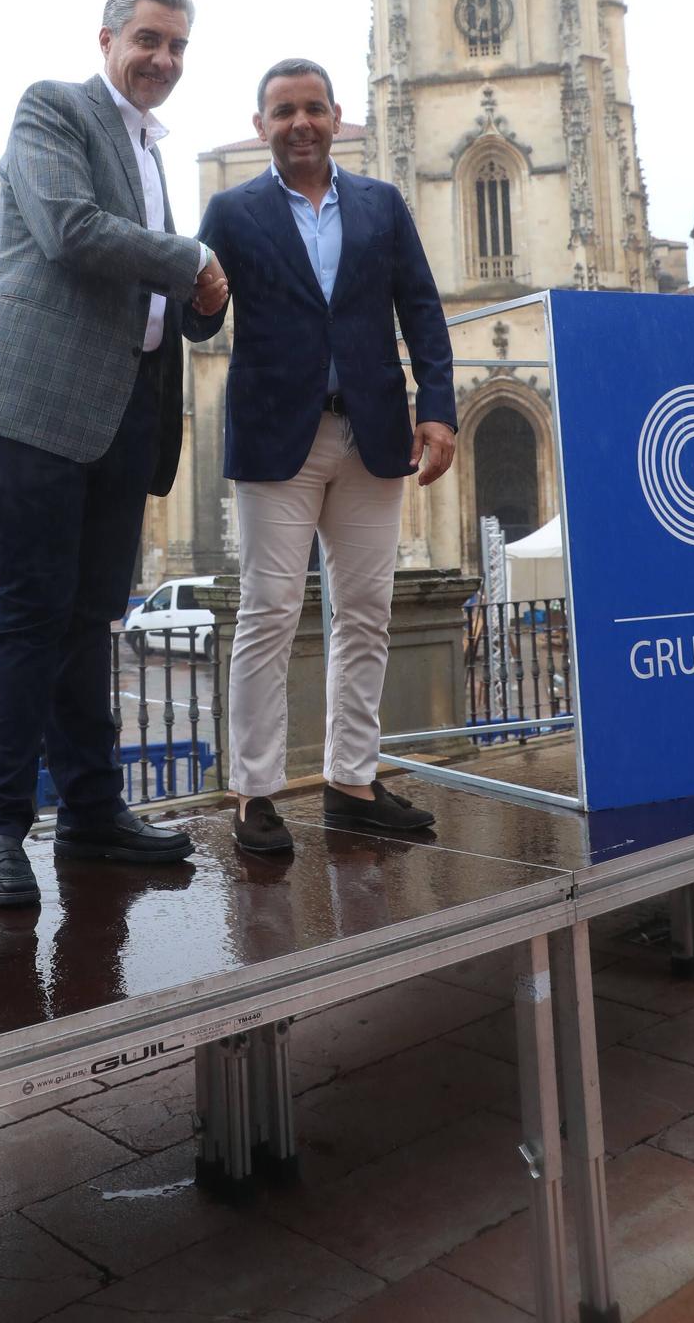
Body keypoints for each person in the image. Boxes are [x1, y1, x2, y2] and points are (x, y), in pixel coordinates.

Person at [0, 0, 229, 906]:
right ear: (107, 38)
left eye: (178, 47)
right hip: (30, 398)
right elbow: (69, 231)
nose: (163, 60)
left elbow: (145, 285)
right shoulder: (53, 110)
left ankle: (93, 810)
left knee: (85, 622)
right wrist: (190, 261)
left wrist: (198, 302)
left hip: (118, 415)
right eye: (148, 39)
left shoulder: (152, 153)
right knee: (29, 615)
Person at [184, 58, 456, 854]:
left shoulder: (381, 204)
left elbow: (423, 310)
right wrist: (201, 296)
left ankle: (351, 782)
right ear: (262, 123)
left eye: (311, 109)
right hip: (278, 439)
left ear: (335, 117)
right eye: (281, 111)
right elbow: (199, 323)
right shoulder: (231, 212)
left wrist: (436, 411)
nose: (298, 123)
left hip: (372, 434)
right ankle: (255, 794)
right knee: (268, 615)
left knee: (366, 612)